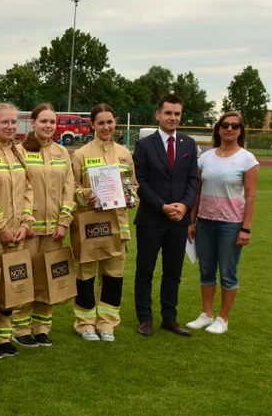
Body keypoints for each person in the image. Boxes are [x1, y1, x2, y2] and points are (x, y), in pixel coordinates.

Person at [132, 94, 199, 337]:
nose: (173, 118)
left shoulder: (188, 144)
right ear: (158, 115)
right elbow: (140, 181)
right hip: (152, 218)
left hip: (178, 220)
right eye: (168, 113)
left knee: (173, 272)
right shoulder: (144, 145)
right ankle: (145, 318)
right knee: (145, 271)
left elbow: (193, 179)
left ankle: (169, 318)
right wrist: (162, 206)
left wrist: (185, 205)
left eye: (177, 114)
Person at [70, 103, 138, 341]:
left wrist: (131, 198)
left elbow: (133, 185)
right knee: (85, 275)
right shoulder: (81, 154)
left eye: (110, 121)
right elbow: (72, 189)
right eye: (101, 123)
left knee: (113, 276)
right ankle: (85, 323)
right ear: (93, 125)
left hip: (117, 224)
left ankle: (107, 323)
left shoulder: (124, 153)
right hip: (90, 223)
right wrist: (85, 194)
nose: (106, 126)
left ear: (115, 122)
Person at [187, 112, 259, 335]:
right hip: (205, 222)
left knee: (228, 272)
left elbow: (251, 195)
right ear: (218, 129)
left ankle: (223, 318)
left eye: (235, 126)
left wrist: (245, 228)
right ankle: (206, 314)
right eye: (225, 125)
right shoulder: (206, 158)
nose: (229, 129)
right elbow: (197, 192)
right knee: (206, 270)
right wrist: (192, 220)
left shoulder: (247, 159)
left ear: (240, 130)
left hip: (231, 224)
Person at [0, 102, 34, 355]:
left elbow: (28, 192)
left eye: (14, 122)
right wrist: (1, 226)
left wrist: (25, 222)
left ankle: (3, 335)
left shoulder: (18, 153)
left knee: (10, 287)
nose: (11, 126)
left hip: (17, 233)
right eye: (5, 122)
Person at [19, 103, 75, 346]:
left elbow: (68, 189)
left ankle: (41, 327)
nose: (48, 126)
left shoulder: (62, 153)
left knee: (47, 279)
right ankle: (20, 329)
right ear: (33, 122)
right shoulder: (19, 151)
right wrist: (24, 221)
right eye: (43, 121)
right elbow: (18, 191)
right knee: (24, 278)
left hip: (54, 230)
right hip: (29, 230)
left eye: (52, 122)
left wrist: (63, 222)